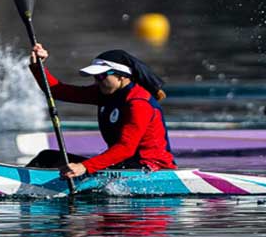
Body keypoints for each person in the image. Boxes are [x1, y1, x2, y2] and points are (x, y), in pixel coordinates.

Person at [26, 44, 175, 178]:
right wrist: (38, 66)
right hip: (124, 165)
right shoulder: (104, 93)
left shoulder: (138, 103)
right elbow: (59, 91)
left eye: (102, 76)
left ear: (122, 76)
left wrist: (84, 167)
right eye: (95, 77)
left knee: (62, 165)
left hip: (150, 170)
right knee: (48, 158)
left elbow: (126, 148)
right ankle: (19, 183)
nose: (97, 81)